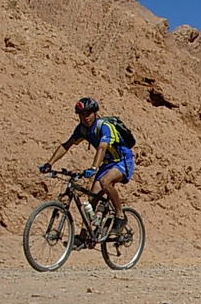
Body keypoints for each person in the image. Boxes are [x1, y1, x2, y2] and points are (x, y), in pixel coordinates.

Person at [39, 97, 134, 235]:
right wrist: (49, 163)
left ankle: (120, 215)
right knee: (91, 199)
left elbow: (102, 147)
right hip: (107, 163)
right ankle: (85, 236)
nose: (85, 117)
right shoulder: (82, 130)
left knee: (105, 182)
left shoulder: (104, 126)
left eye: (88, 114)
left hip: (123, 160)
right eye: (82, 114)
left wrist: (94, 168)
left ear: (95, 113)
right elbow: (66, 145)